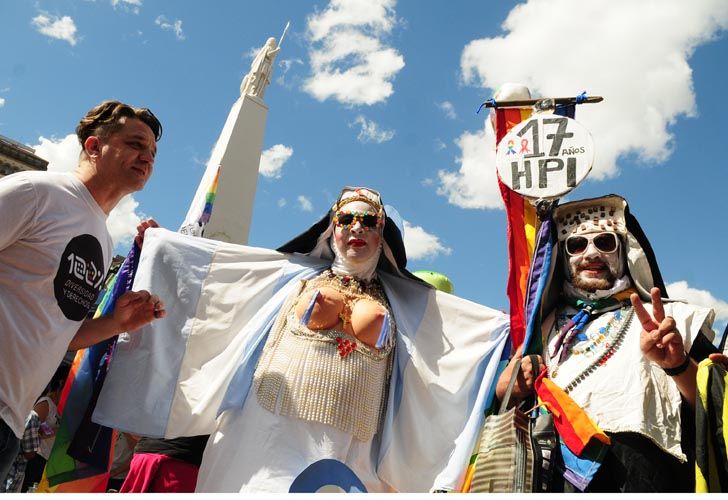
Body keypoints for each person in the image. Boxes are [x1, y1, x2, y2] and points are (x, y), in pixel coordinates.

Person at [93, 186, 511, 492]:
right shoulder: (284, 277)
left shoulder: (407, 305)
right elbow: (214, 283)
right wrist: (162, 246)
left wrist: (516, 324)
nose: (356, 228)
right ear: (330, 230)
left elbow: (467, 334)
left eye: (369, 221)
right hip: (265, 433)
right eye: (346, 219)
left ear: (383, 236)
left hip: (351, 447)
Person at [494, 194, 716, 492]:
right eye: (577, 245)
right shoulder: (541, 331)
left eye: (605, 242)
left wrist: (677, 366)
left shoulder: (674, 318)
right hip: (556, 480)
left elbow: (717, 411)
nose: (591, 253)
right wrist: (507, 389)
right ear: (565, 257)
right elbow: (509, 407)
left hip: (646, 478)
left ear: (624, 252)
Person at [0, 100, 167, 480]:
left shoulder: (105, 241)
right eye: (135, 144)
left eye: (153, 153)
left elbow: (62, 336)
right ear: (94, 146)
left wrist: (117, 321)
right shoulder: (36, 192)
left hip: (9, 422)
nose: (147, 157)